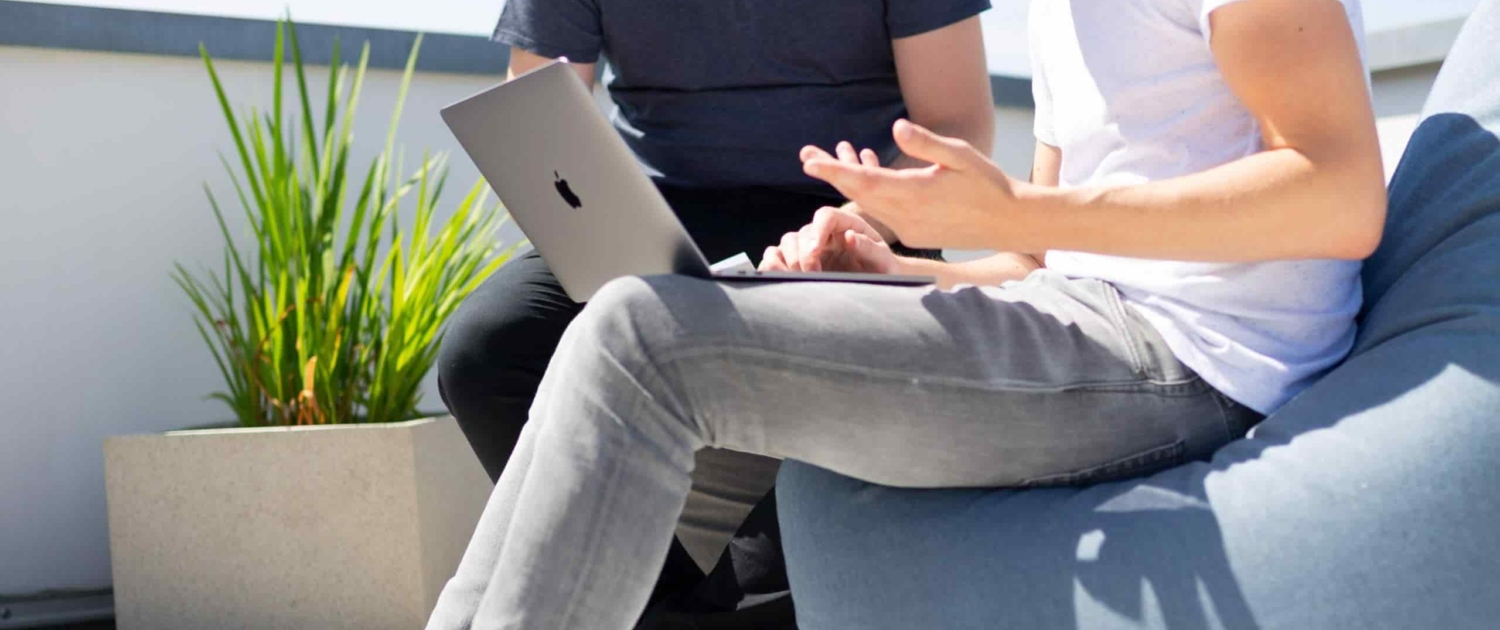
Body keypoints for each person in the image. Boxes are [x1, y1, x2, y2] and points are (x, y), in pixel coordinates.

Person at [427, 0, 1386, 627]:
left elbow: (1344, 198)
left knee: (644, 339)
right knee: (615, 332)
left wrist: (1012, 212)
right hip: (1085, 319)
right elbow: (1040, 263)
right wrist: (890, 270)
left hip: (1192, 362)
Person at [435, 0, 996, 624]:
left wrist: (860, 225)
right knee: (487, 349)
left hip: (856, 219)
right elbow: (535, 112)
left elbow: (956, 124)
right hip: (657, 215)